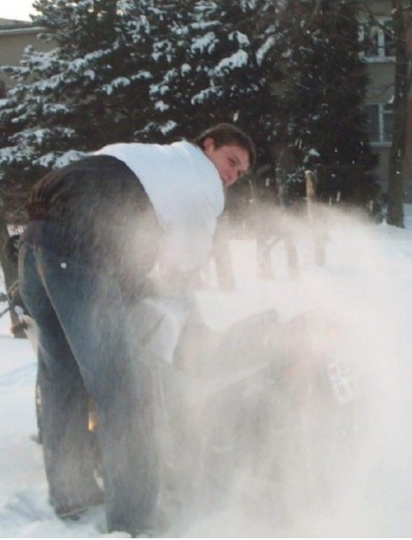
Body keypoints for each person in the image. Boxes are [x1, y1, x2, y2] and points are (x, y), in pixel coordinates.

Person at [17, 123, 255, 535]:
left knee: (63, 378)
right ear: (207, 145)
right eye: (231, 161)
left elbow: (118, 228)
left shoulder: (139, 154)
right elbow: (183, 265)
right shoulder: (202, 183)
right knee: (126, 393)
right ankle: (136, 520)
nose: (231, 176)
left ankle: (70, 496)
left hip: (34, 244)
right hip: (76, 254)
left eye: (240, 174)